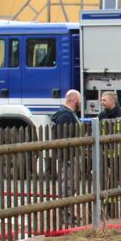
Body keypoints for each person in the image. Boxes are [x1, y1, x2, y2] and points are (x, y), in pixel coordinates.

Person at [98, 91, 121, 219]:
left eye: (104, 100)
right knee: (109, 183)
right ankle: (109, 211)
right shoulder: (101, 116)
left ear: (113, 101)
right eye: (101, 100)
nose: (102, 102)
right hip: (107, 155)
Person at [51, 90, 82, 225]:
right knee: (67, 185)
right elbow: (63, 138)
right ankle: (65, 215)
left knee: (71, 185)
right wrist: (68, 156)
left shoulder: (69, 114)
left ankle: (69, 213)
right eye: (79, 100)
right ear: (74, 100)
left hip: (71, 154)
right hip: (68, 156)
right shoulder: (64, 116)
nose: (80, 103)